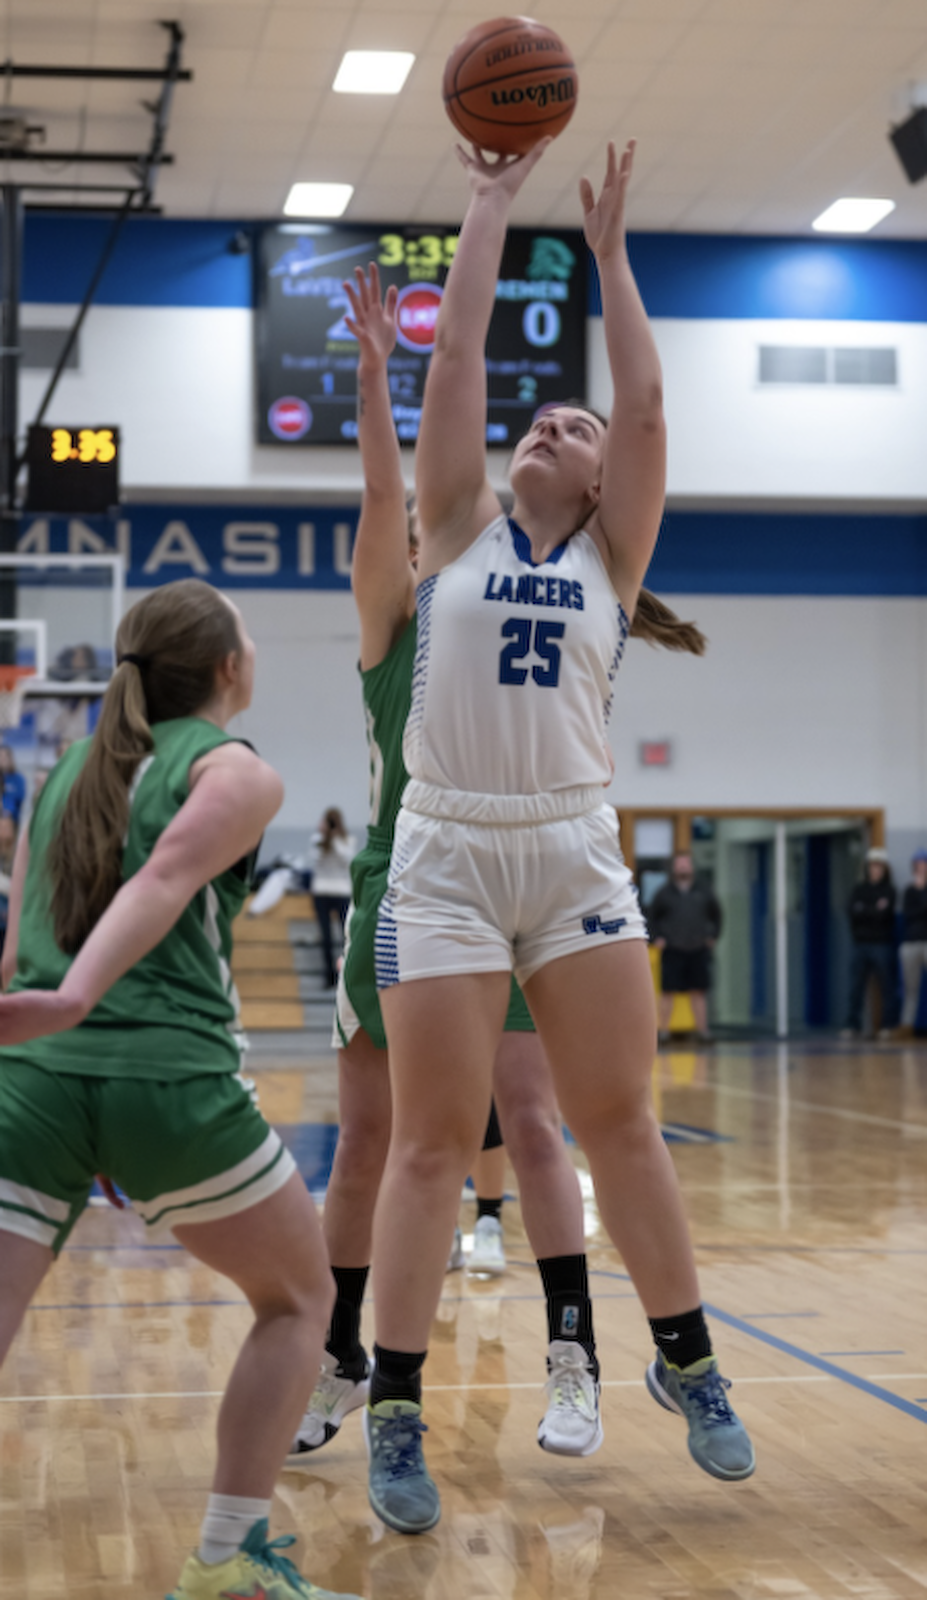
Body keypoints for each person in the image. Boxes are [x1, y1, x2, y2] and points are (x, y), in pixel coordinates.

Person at [363, 137, 755, 1537]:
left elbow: (644, 404)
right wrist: (487, 201)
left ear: (600, 484)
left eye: (572, 431)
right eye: (541, 420)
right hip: (446, 854)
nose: (551, 425)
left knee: (618, 1123)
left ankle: (685, 1359)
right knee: (427, 1147)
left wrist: (610, 257)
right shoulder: (454, 525)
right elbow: (459, 359)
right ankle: (395, 1407)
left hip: (573, 848)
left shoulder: (610, 558)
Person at [286, 264, 609, 1472]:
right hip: (401, 885)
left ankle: (572, 1350)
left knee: (531, 1117)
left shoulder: (533, 600)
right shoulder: (399, 614)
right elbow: (386, 491)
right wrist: (374, 375)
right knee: (369, 1141)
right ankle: (341, 1354)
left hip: (518, 868)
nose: (428, 525)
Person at [0, 578, 361, 1600]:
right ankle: (226, 1562)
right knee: (300, 1299)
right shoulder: (236, 770)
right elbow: (162, 877)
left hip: (29, 1085)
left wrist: (54, 1016)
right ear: (228, 668)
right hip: (170, 1084)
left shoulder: (62, 772)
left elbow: (15, 952)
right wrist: (80, 998)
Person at [648, 851, 723, 1045]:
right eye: (679, 864)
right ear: (674, 868)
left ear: (692, 867)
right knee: (668, 992)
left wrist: (713, 936)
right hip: (673, 948)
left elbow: (716, 915)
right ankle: (662, 1032)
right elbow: (651, 917)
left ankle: (703, 1032)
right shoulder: (664, 893)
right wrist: (657, 938)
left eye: (686, 864)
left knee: (699, 991)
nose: (683, 867)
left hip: (697, 948)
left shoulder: (704, 891)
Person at [842, 846, 898, 1039]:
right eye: (872, 866)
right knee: (855, 987)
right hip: (860, 944)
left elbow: (883, 916)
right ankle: (852, 1025)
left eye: (879, 866)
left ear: (884, 869)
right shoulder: (859, 889)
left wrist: (864, 910)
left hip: (881, 944)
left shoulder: (889, 890)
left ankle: (887, 1026)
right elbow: (852, 911)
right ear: (867, 868)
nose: (875, 870)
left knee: (887, 986)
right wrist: (873, 909)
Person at [311, 806, 355, 987]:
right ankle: (329, 976)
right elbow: (314, 860)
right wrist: (324, 838)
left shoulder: (347, 840)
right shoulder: (317, 840)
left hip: (342, 892)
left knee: (346, 936)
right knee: (326, 937)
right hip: (321, 891)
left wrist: (335, 839)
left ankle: (346, 973)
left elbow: (348, 861)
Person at [898, 849, 927, 1038]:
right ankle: (907, 1026)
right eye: (918, 864)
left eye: (924, 864)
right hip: (911, 942)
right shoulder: (909, 890)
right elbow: (909, 915)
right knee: (911, 989)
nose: (921, 867)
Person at [0, 744, 26, 824]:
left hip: (11, 821)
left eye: (5, 756)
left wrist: (7, 811)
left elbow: (18, 797)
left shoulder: (18, 778)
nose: (2, 759)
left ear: (10, 758)